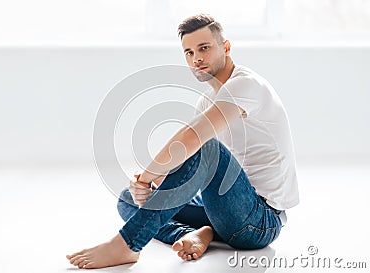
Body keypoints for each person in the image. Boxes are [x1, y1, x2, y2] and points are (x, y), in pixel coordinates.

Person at [66, 14, 299, 269]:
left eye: (204, 48)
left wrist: (147, 178)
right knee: (128, 200)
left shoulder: (246, 85)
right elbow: (190, 164)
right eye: (188, 52)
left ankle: (128, 244)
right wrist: (149, 188)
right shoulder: (207, 100)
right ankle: (195, 234)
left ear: (226, 48)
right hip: (222, 208)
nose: (196, 58)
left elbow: (190, 140)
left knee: (205, 147)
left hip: (259, 220)